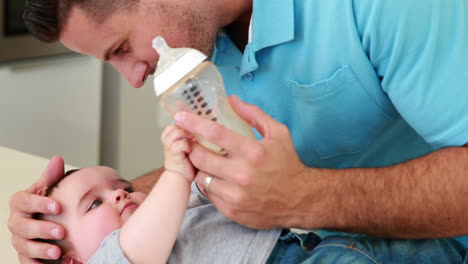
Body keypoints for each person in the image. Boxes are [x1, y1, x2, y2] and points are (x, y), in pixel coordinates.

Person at [9, 0, 468, 262]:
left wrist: (308, 197)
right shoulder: (198, 51)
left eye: (122, 48)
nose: (132, 77)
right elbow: (195, 181)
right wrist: (65, 230)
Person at [32, 125, 467, 264]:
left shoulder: (171, 211)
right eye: (95, 203)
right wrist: (173, 172)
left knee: (430, 250)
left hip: (316, 246)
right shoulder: (113, 257)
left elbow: (212, 189)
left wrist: (202, 158)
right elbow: (142, 245)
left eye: (122, 187)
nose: (121, 197)